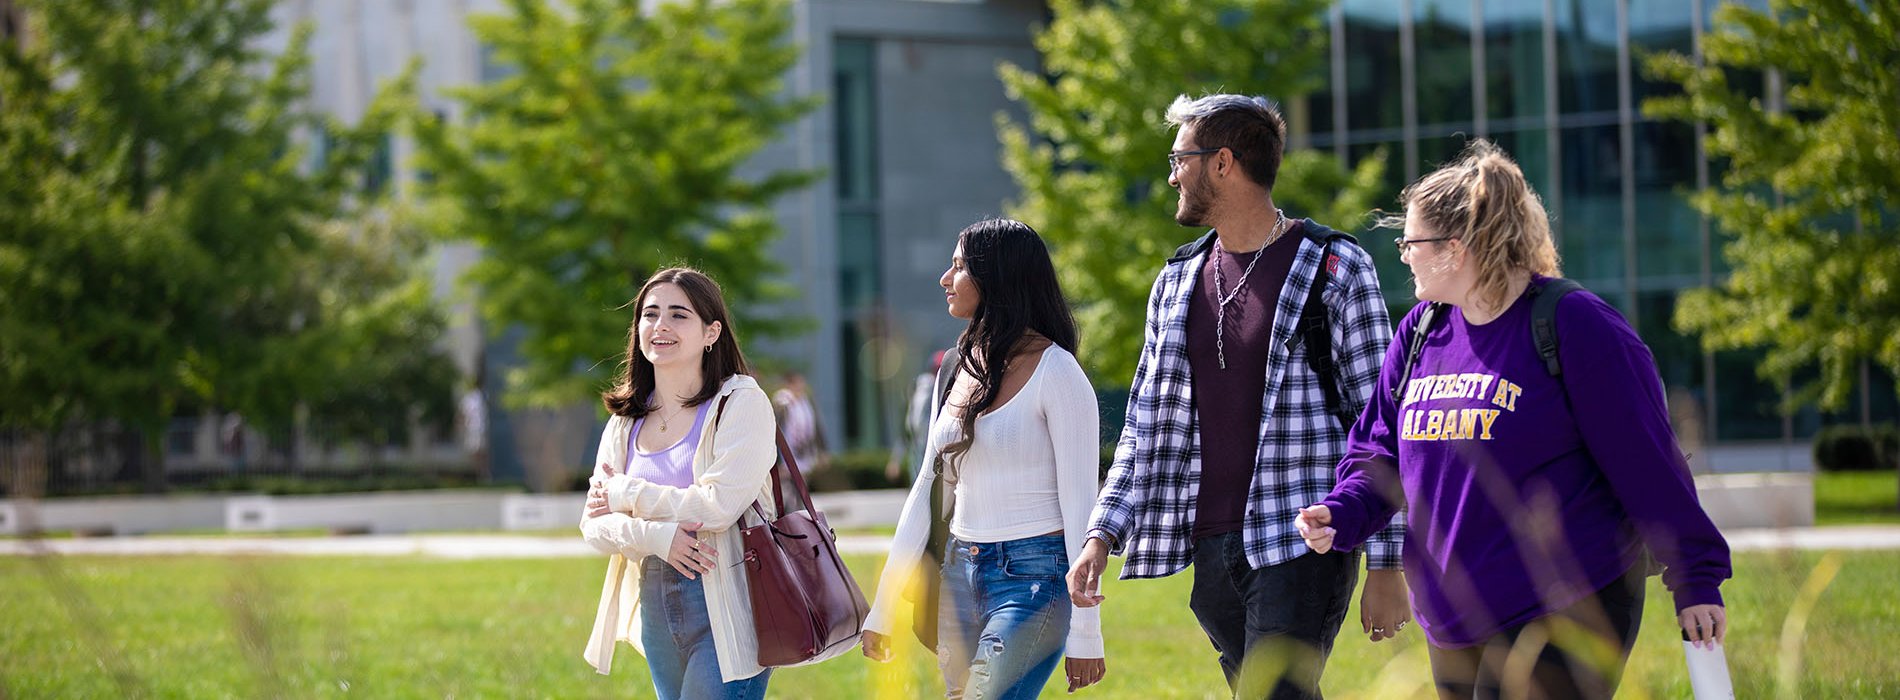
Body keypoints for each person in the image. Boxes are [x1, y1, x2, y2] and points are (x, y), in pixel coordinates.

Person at [1294, 140, 1733, 699]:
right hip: (1453, 615)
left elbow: (1647, 462)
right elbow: (1380, 451)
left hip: (1568, 603)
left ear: (1457, 248)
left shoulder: (1575, 325)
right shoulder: (1422, 332)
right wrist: (1343, 512)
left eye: (1411, 241)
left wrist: (1695, 576)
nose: (1403, 253)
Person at [1066, 94, 1408, 699]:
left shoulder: (1334, 267)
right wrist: (1102, 534)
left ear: (1222, 162)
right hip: (1212, 544)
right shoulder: (1175, 281)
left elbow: (1382, 424)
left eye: (1180, 159)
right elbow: (1146, 423)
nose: (1171, 174)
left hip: (1303, 537)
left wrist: (1387, 562)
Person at [862, 218, 1106, 698]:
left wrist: (1087, 632)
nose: (944, 280)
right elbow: (929, 490)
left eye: (958, 267)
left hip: (1035, 581)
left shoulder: (1059, 373)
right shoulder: (956, 366)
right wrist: (885, 606)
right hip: (958, 571)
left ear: (996, 277)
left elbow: (1082, 505)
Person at [578, 267, 780, 699]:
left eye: (678, 315)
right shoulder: (625, 419)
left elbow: (717, 507)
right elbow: (592, 525)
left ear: (711, 332)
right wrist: (656, 537)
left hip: (729, 604)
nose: (660, 326)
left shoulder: (741, 403)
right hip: (656, 604)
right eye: (649, 315)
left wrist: (624, 494)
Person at [887, 350, 947, 484]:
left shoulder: (917, 386)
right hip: (929, 446)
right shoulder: (931, 387)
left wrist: (895, 460)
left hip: (918, 446)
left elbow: (908, 427)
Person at [772, 371, 827, 476]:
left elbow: (816, 427)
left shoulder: (805, 402)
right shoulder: (782, 402)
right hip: (786, 453)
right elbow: (776, 431)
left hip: (805, 451)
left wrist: (822, 450)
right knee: (789, 487)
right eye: (797, 383)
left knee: (802, 485)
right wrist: (778, 461)